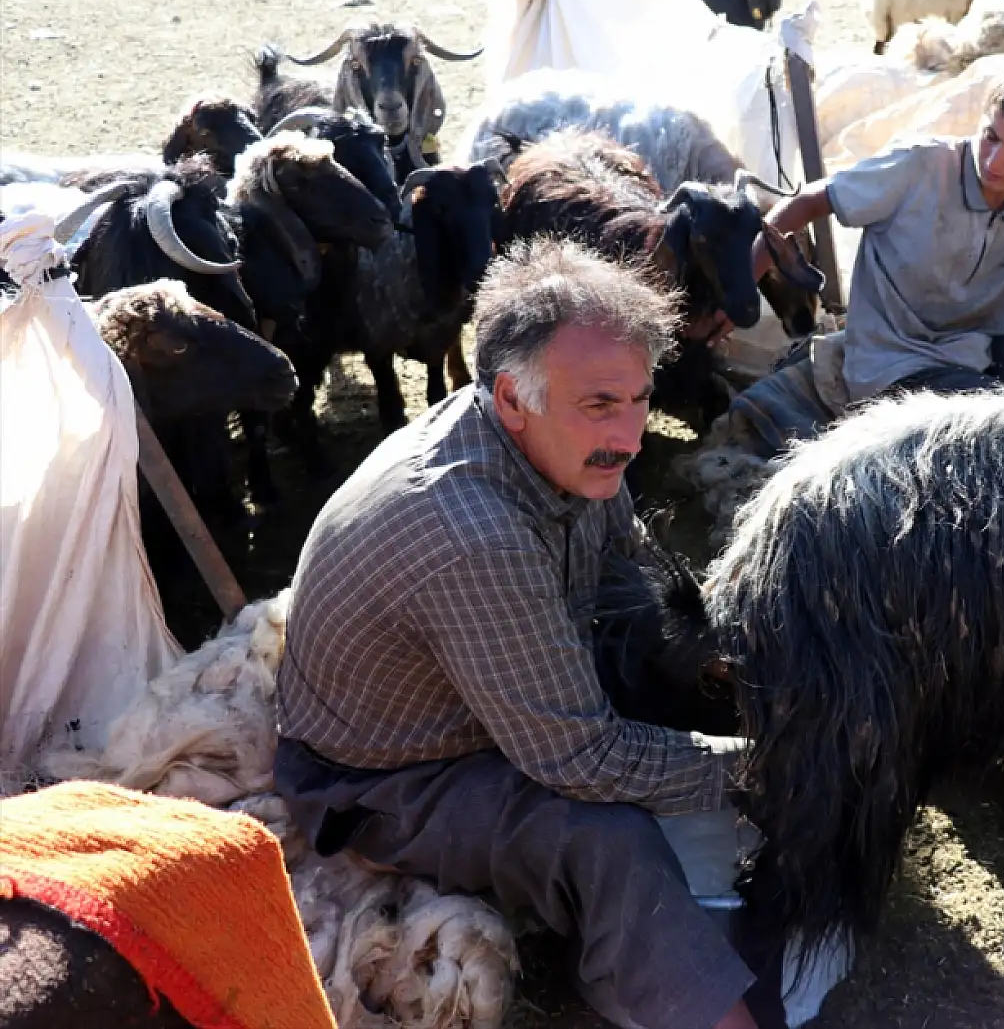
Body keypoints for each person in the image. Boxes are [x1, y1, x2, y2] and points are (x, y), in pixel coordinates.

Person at [273, 237, 760, 1029]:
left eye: (639, 398)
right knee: (605, 833)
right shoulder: (475, 533)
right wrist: (766, 765)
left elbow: (624, 569)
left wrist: (720, 671)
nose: (632, 433)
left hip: (480, 702)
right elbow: (579, 757)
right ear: (509, 399)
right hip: (384, 777)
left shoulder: (568, 448)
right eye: (602, 403)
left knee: (670, 689)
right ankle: (696, 1008)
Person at [750, 61, 1004, 400]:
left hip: (980, 355)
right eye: (990, 137)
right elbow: (807, 202)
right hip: (899, 365)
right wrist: (740, 284)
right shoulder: (920, 165)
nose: (995, 161)